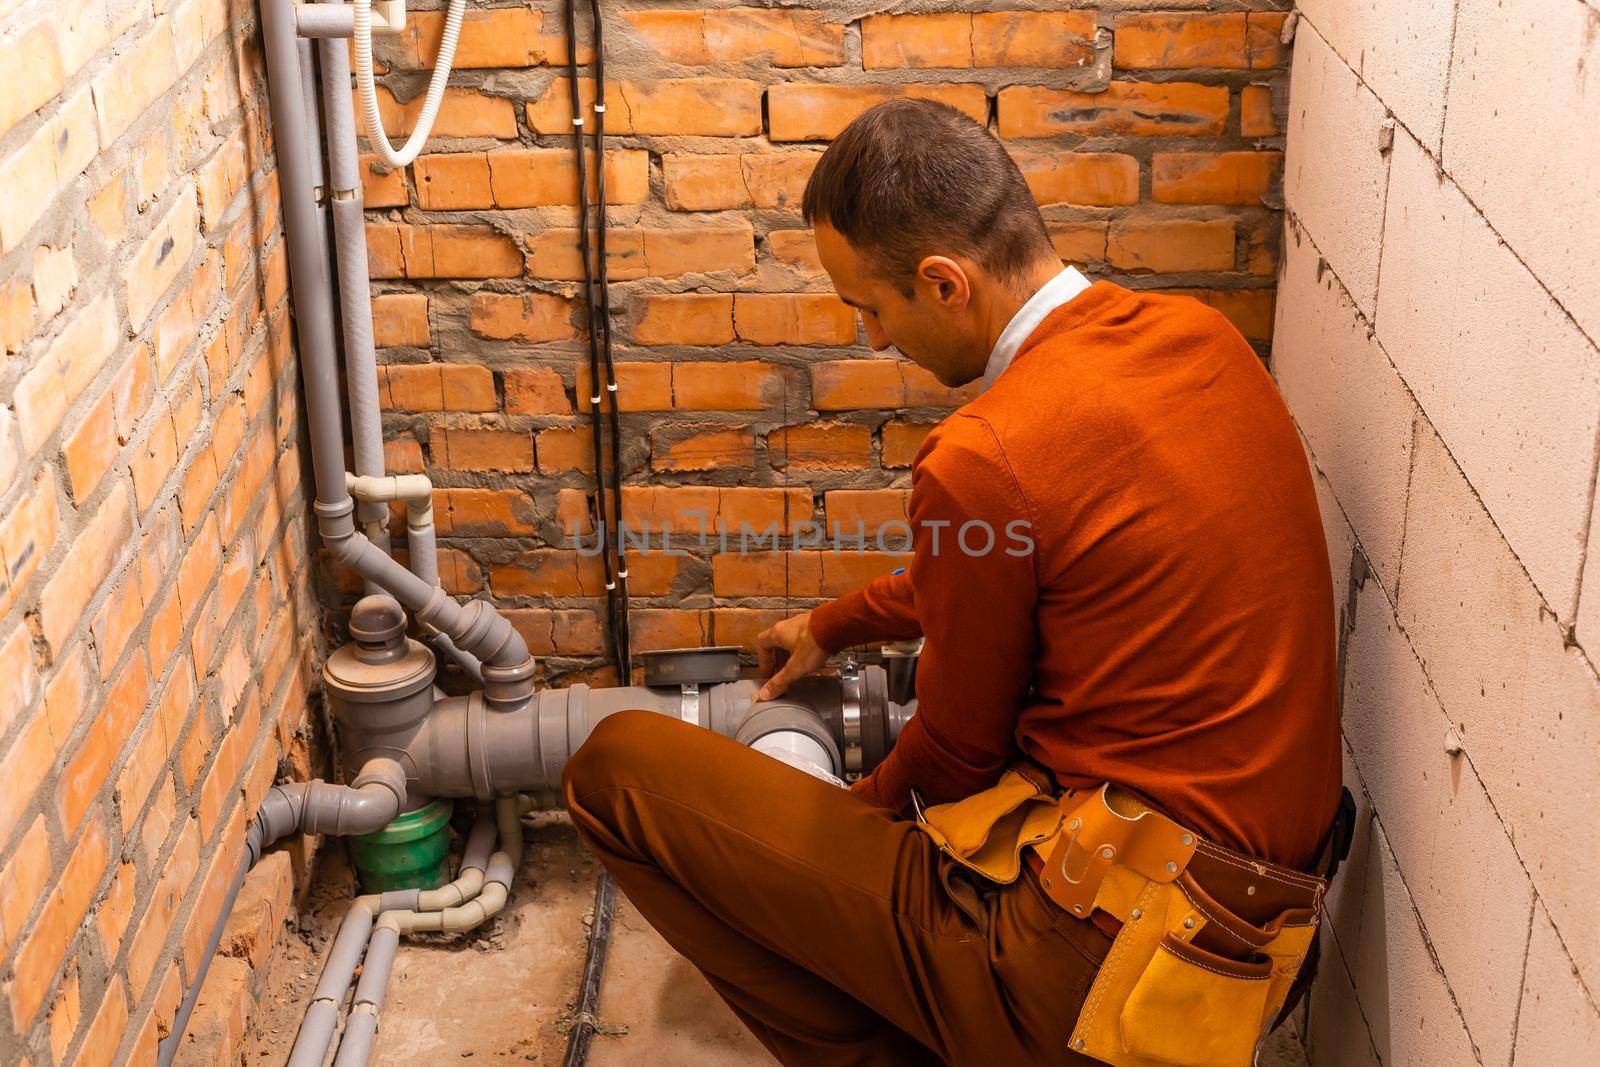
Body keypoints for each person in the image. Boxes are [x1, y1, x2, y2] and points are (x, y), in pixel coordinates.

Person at [563, 99, 1343, 1066]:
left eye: (872, 309)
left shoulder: (983, 450)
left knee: (613, 768)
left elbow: (954, 756)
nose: (875, 340)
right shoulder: (1200, 342)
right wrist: (840, 621)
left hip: (1090, 964)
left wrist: (820, 833)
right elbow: (1033, 551)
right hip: (1251, 938)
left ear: (943, 283)